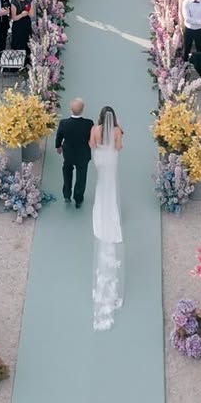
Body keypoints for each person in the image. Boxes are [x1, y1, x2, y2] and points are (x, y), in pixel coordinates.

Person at [90, 105, 124, 331]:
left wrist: (101, 147)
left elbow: (91, 145)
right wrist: (113, 146)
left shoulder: (95, 128)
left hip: (100, 158)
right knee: (111, 184)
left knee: (101, 183)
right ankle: (110, 210)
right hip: (111, 158)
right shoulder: (118, 130)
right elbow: (119, 148)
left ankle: (100, 207)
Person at [55, 98, 94, 209]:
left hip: (68, 154)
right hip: (83, 154)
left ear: (70, 109)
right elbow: (90, 139)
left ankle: (67, 195)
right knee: (81, 177)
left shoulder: (63, 123)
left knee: (67, 172)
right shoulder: (89, 123)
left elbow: (59, 137)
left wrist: (58, 146)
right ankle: (78, 199)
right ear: (83, 110)